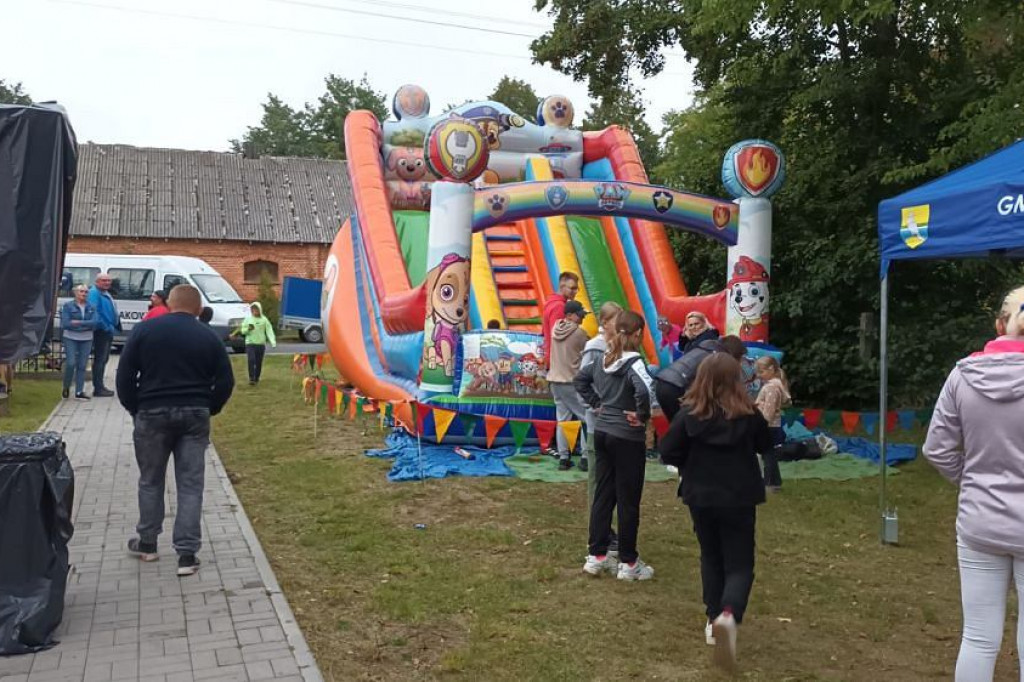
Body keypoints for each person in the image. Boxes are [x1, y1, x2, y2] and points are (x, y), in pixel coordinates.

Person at [923, 285, 1024, 682]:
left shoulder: (962, 375)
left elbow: (937, 448)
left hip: (979, 522)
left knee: (979, 638)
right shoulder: (962, 374)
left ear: (999, 324)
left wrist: (972, 482)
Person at [658, 353, 772, 673]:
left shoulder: (688, 415)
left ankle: (714, 620)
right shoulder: (749, 415)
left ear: (701, 378)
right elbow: (766, 443)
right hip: (738, 497)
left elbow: (667, 450)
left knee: (710, 555)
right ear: (736, 380)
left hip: (702, 496)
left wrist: (690, 467)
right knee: (740, 563)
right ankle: (728, 616)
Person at [116, 285, 235, 577]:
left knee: (150, 480)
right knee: (190, 485)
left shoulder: (145, 331)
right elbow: (225, 380)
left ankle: (147, 543)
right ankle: (186, 554)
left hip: (152, 413)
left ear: (169, 304)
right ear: (197, 309)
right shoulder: (208, 336)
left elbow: (124, 376)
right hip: (194, 414)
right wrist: (210, 407)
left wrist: (136, 408)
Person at [574, 310, 657, 581]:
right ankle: (629, 562)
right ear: (637, 335)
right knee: (628, 500)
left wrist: (598, 405)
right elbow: (645, 390)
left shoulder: (603, 359)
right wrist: (642, 415)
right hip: (627, 437)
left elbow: (580, 380)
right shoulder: (635, 363)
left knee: (603, 494)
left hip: (602, 433)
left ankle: (596, 557)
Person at [580, 301, 623, 549]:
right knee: (597, 481)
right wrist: (597, 405)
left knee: (610, 482)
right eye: (615, 320)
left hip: (612, 425)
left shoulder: (613, 346)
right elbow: (583, 381)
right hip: (598, 425)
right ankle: (598, 531)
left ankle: (605, 527)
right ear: (605, 322)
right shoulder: (594, 347)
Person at [655, 335, 747, 421]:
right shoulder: (717, 358)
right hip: (675, 386)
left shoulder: (706, 348)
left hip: (663, 382)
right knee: (687, 426)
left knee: (678, 425)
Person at [548, 300, 591, 471]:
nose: (582, 318)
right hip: (571, 382)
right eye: (580, 315)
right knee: (586, 418)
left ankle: (564, 458)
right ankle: (586, 457)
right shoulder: (580, 334)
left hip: (555, 380)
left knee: (563, 420)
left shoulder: (555, 329)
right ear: (569, 315)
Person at [754, 356, 790, 492]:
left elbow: (769, 409)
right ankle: (775, 482)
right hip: (772, 425)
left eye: (761, 372)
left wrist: (761, 423)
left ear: (771, 370)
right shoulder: (775, 386)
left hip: (768, 425)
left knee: (768, 455)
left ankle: (770, 483)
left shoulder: (771, 388)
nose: (759, 375)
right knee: (770, 454)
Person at [59, 285, 97, 400]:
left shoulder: (91, 306)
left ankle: (79, 391)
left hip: (87, 338)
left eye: (86, 292)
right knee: (71, 363)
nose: (84, 294)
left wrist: (78, 323)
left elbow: (95, 322)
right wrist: (85, 324)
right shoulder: (68, 306)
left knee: (82, 365)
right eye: (81, 291)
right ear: (75, 293)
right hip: (71, 337)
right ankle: (66, 386)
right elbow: (65, 323)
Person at [87, 273, 121, 397]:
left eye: (108, 280)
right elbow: (94, 311)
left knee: (104, 359)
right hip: (101, 331)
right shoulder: (94, 293)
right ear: (97, 282)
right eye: (104, 280)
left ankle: (100, 386)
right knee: (100, 359)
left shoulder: (105, 293)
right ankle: (98, 388)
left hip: (108, 330)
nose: (107, 283)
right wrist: (105, 326)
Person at [232, 302, 276, 385]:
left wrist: (272, 341)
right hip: (250, 343)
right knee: (251, 360)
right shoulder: (248, 319)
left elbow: (269, 330)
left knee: (258, 362)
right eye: (252, 309)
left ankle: (256, 378)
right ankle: (251, 378)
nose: (254, 311)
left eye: (256, 309)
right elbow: (242, 330)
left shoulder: (264, 320)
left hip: (260, 344)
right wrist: (248, 329)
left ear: (259, 310)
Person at [542, 271, 580, 367]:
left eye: (576, 288)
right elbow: (558, 335)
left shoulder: (550, 302)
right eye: (572, 288)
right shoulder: (559, 306)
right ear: (562, 286)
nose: (575, 292)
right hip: (557, 362)